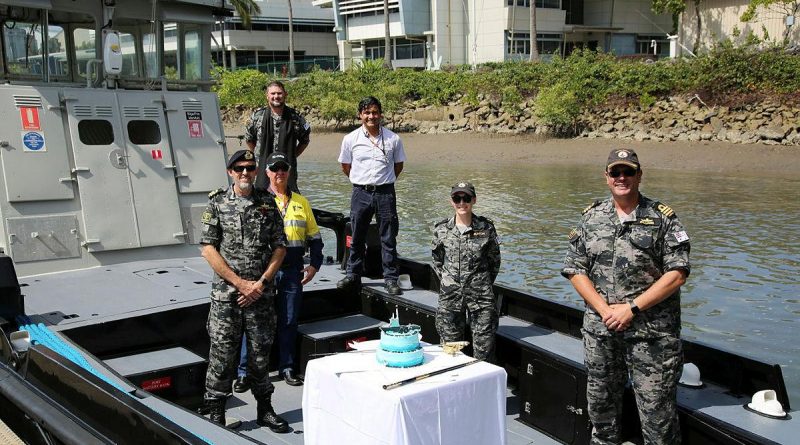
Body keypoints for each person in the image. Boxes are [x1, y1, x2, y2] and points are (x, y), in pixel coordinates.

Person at [561, 148, 691, 444]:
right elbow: (575, 270)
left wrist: (631, 309)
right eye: (615, 172)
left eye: (628, 172)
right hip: (601, 332)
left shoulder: (663, 218)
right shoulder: (591, 218)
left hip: (652, 336)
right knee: (601, 411)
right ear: (606, 177)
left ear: (639, 175)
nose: (622, 178)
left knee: (658, 417)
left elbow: (677, 274)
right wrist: (605, 309)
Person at [199, 149, 290, 433]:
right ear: (230, 172)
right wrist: (240, 283)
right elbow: (207, 249)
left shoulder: (267, 202)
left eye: (250, 168)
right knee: (222, 355)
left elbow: (280, 247)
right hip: (227, 296)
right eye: (239, 168)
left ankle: (265, 409)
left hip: (261, 294)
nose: (245, 173)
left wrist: (260, 284)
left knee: (261, 354)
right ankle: (216, 412)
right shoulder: (216, 203)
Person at [235, 152, 324, 390]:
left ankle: (287, 368)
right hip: (263, 272)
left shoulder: (301, 203)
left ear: (289, 171)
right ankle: (244, 373)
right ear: (267, 173)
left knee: (288, 321)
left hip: (293, 271)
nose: (280, 173)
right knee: (254, 322)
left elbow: (315, 238)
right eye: (275, 169)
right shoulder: (258, 200)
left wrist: (315, 264)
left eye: (284, 168)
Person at [336, 96, 406, 296]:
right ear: (360, 115)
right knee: (357, 235)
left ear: (380, 114)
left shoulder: (394, 139)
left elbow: (398, 165)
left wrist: (384, 181)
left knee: (388, 237)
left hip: (385, 193)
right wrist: (360, 181)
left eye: (375, 112)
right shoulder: (350, 139)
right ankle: (352, 275)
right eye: (367, 113)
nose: (371, 116)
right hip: (361, 192)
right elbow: (345, 166)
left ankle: (391, 279)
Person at [431, 182, 501, 361]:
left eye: (466, 198)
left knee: (484, 353)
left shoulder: (486, 228)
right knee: (450, 352)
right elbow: (437, 262)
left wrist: (480, 283)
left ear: (474, 200)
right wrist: (451, 282)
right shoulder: (441, 229)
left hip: (481, 298)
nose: (462, 203)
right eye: (457, 198)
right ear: (451, 201)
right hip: (450, 298)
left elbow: (494, 261)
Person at [244, 80, 310, 192]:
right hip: (263, 168)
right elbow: (249, 138)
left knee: (289, 198)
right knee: (262, 199)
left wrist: (292, 156)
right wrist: (259, 155)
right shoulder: (257, 116)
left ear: (285, 94)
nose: (276, 96)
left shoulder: (296, 117)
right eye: (273, 93)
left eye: (279, 93)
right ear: (267, 96)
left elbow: (304, 140)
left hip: (287, 168)